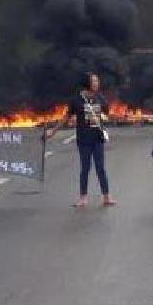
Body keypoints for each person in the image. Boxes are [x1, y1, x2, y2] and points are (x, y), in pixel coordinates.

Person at [44, 72, 116, 208]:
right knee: (85, 168)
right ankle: (83, 197)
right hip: (84, 139)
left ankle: (107, 196)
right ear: (87, 83)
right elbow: (66, 117)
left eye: (97, 81)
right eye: (94, 81)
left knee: (101, 168)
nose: (97, 83)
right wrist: (53, 130)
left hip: (98, 138)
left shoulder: (100, 98)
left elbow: (106, 112)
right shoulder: (77, 100)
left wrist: (102, 120)